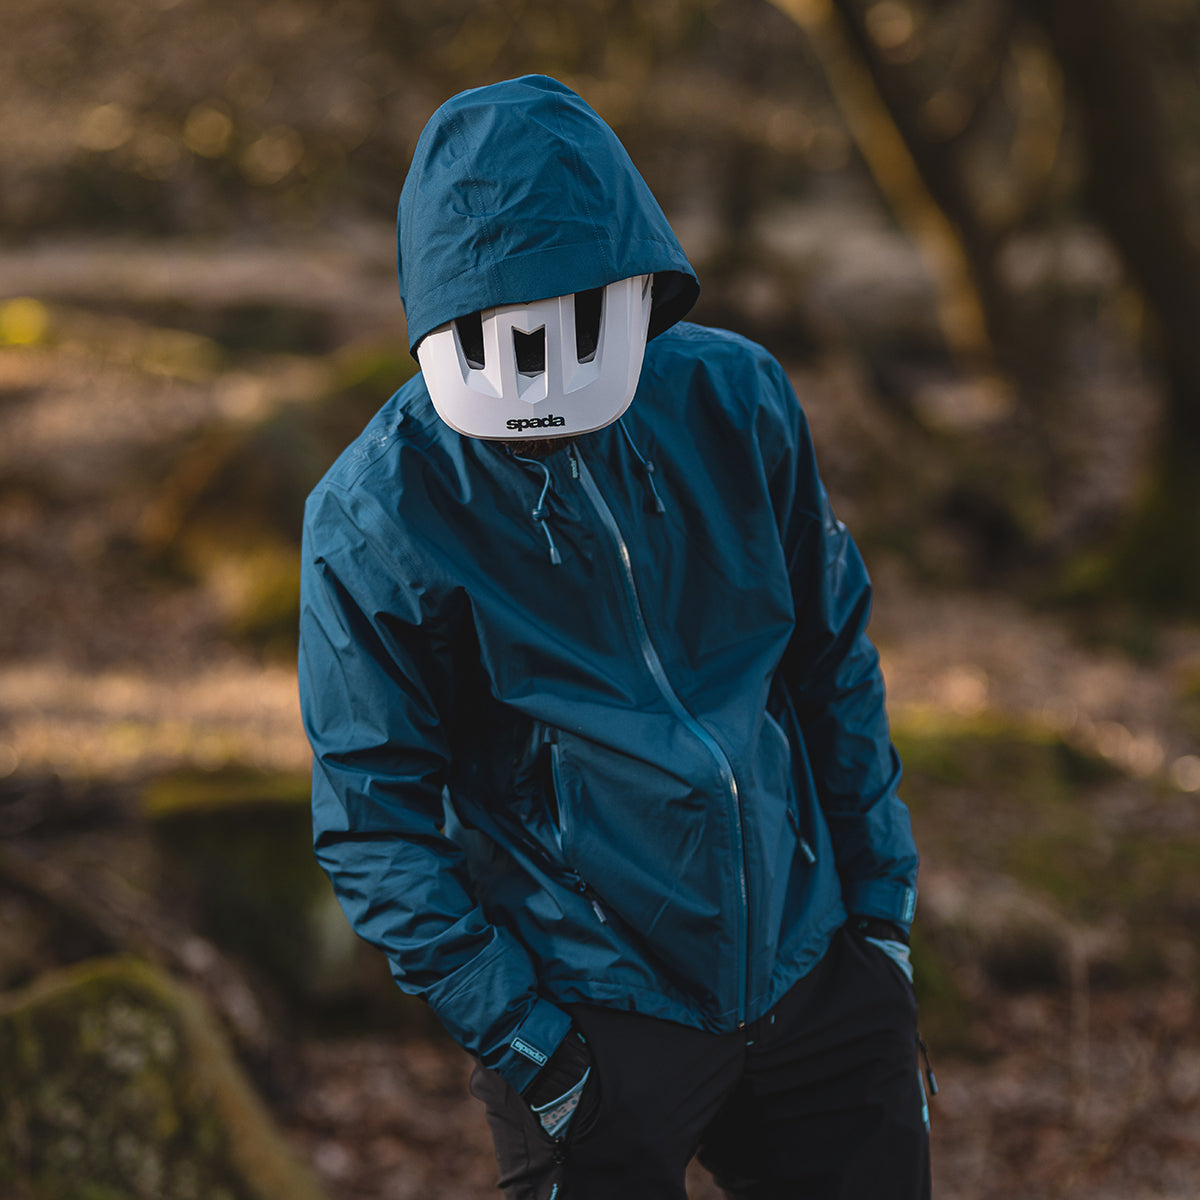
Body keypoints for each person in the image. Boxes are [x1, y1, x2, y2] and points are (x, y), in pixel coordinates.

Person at [298, 74, 931, 1200]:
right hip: (590, 1014)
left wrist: (877, 917)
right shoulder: (378, 511)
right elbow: (371, 814)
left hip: (814, 967)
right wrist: (529, 1041)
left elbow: (831, 656)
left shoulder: (737, 400)